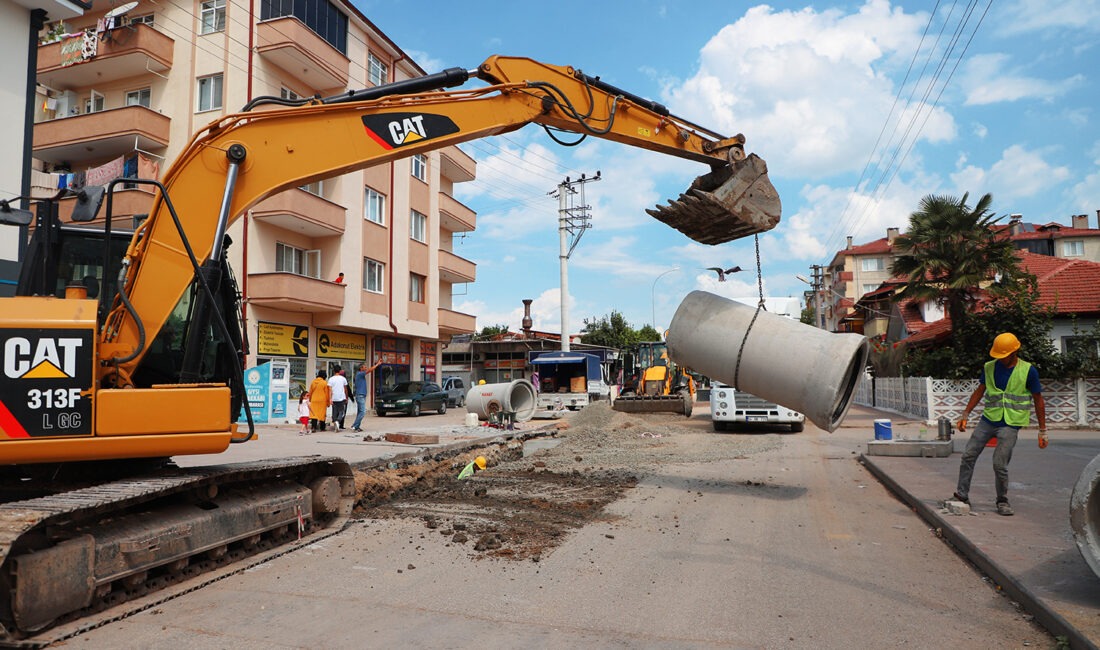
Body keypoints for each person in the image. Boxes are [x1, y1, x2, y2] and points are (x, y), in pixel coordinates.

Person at [952, 332, 1048, 516]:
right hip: (988, 419)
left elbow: (1038, 400)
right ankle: (961, 495)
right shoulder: (989, 367)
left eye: (1004, 356)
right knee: (968, 456)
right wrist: (965, 413)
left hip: (1011, 423)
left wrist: (1042, 431)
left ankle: (1002, 500)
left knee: (999, 464)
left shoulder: (1028, 371)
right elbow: (980, 391)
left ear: (1014, 352)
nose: (1001, 359)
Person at [351, 360, 384, 432]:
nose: (366, 368)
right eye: (364, 367)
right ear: (361, 368)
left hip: (361, 395)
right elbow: (370, 370)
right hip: (360, 395)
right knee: (363, 412)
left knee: (360, 412)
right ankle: (354, 426)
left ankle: (357, 426)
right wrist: (377, 365)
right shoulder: (360, 374)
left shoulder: (360, 375)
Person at [328, 366, 350, 432]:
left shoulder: (331, 379)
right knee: (341, 412)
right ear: (340, 371)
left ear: (333, 371)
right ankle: (338, 421)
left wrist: (330, 399)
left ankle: (335, 423)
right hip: (341, 398)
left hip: (334, 398)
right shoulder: (343, 379)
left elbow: (330, 390)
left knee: (334, 412)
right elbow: (345, 389)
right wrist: (346, 397)